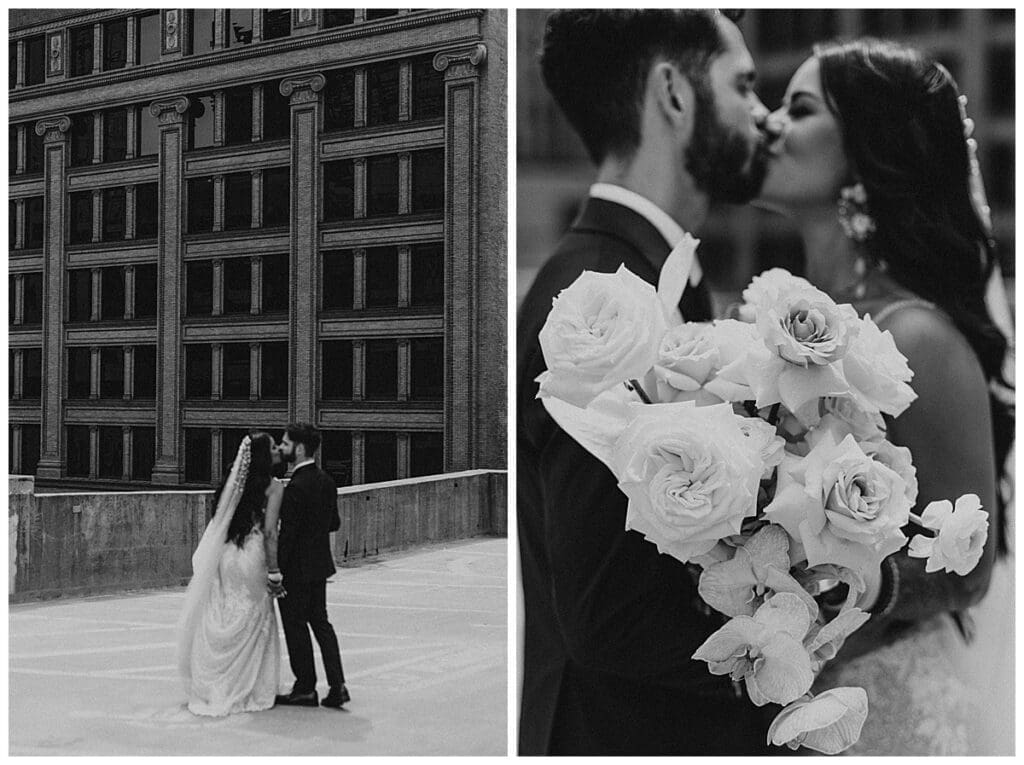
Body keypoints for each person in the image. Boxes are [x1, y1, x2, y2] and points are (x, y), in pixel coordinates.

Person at [517, 10, 780, 755]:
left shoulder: (653, 272)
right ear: (674, 93)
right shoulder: (600, 301)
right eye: (743, 86)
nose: (762, 115)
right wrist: (793, 653)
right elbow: (611, 614)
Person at [757, 38, 1014, 755]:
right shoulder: (775, 322)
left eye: (799, 109)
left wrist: (834, 593)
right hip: (783, 694)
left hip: (884, 709)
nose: (771, 123)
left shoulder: (919, 336)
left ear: (866, 148)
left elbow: (971, 567)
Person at [177, 432, 285, 716]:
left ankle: (217, 683)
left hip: (228, 555)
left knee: (225, 610)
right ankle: (247, 684)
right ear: (264, 456)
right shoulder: (274, 487)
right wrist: (275, 571)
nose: (278, 451)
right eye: (274, 448)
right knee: (254, 614)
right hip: (253, 555)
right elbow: (270, 532)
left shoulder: (235, 484)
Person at [274, 422, 350, 709]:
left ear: (299, 448)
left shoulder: (295, 487)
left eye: (285, 443)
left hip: (296, 570)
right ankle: (337, 685)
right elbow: (334, 523)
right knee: (321, 623)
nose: (282, 447)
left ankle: (305, 687)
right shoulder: (327, 481)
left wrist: (276, 571)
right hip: (319, 566)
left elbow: (287, 535)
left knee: (296, 627)